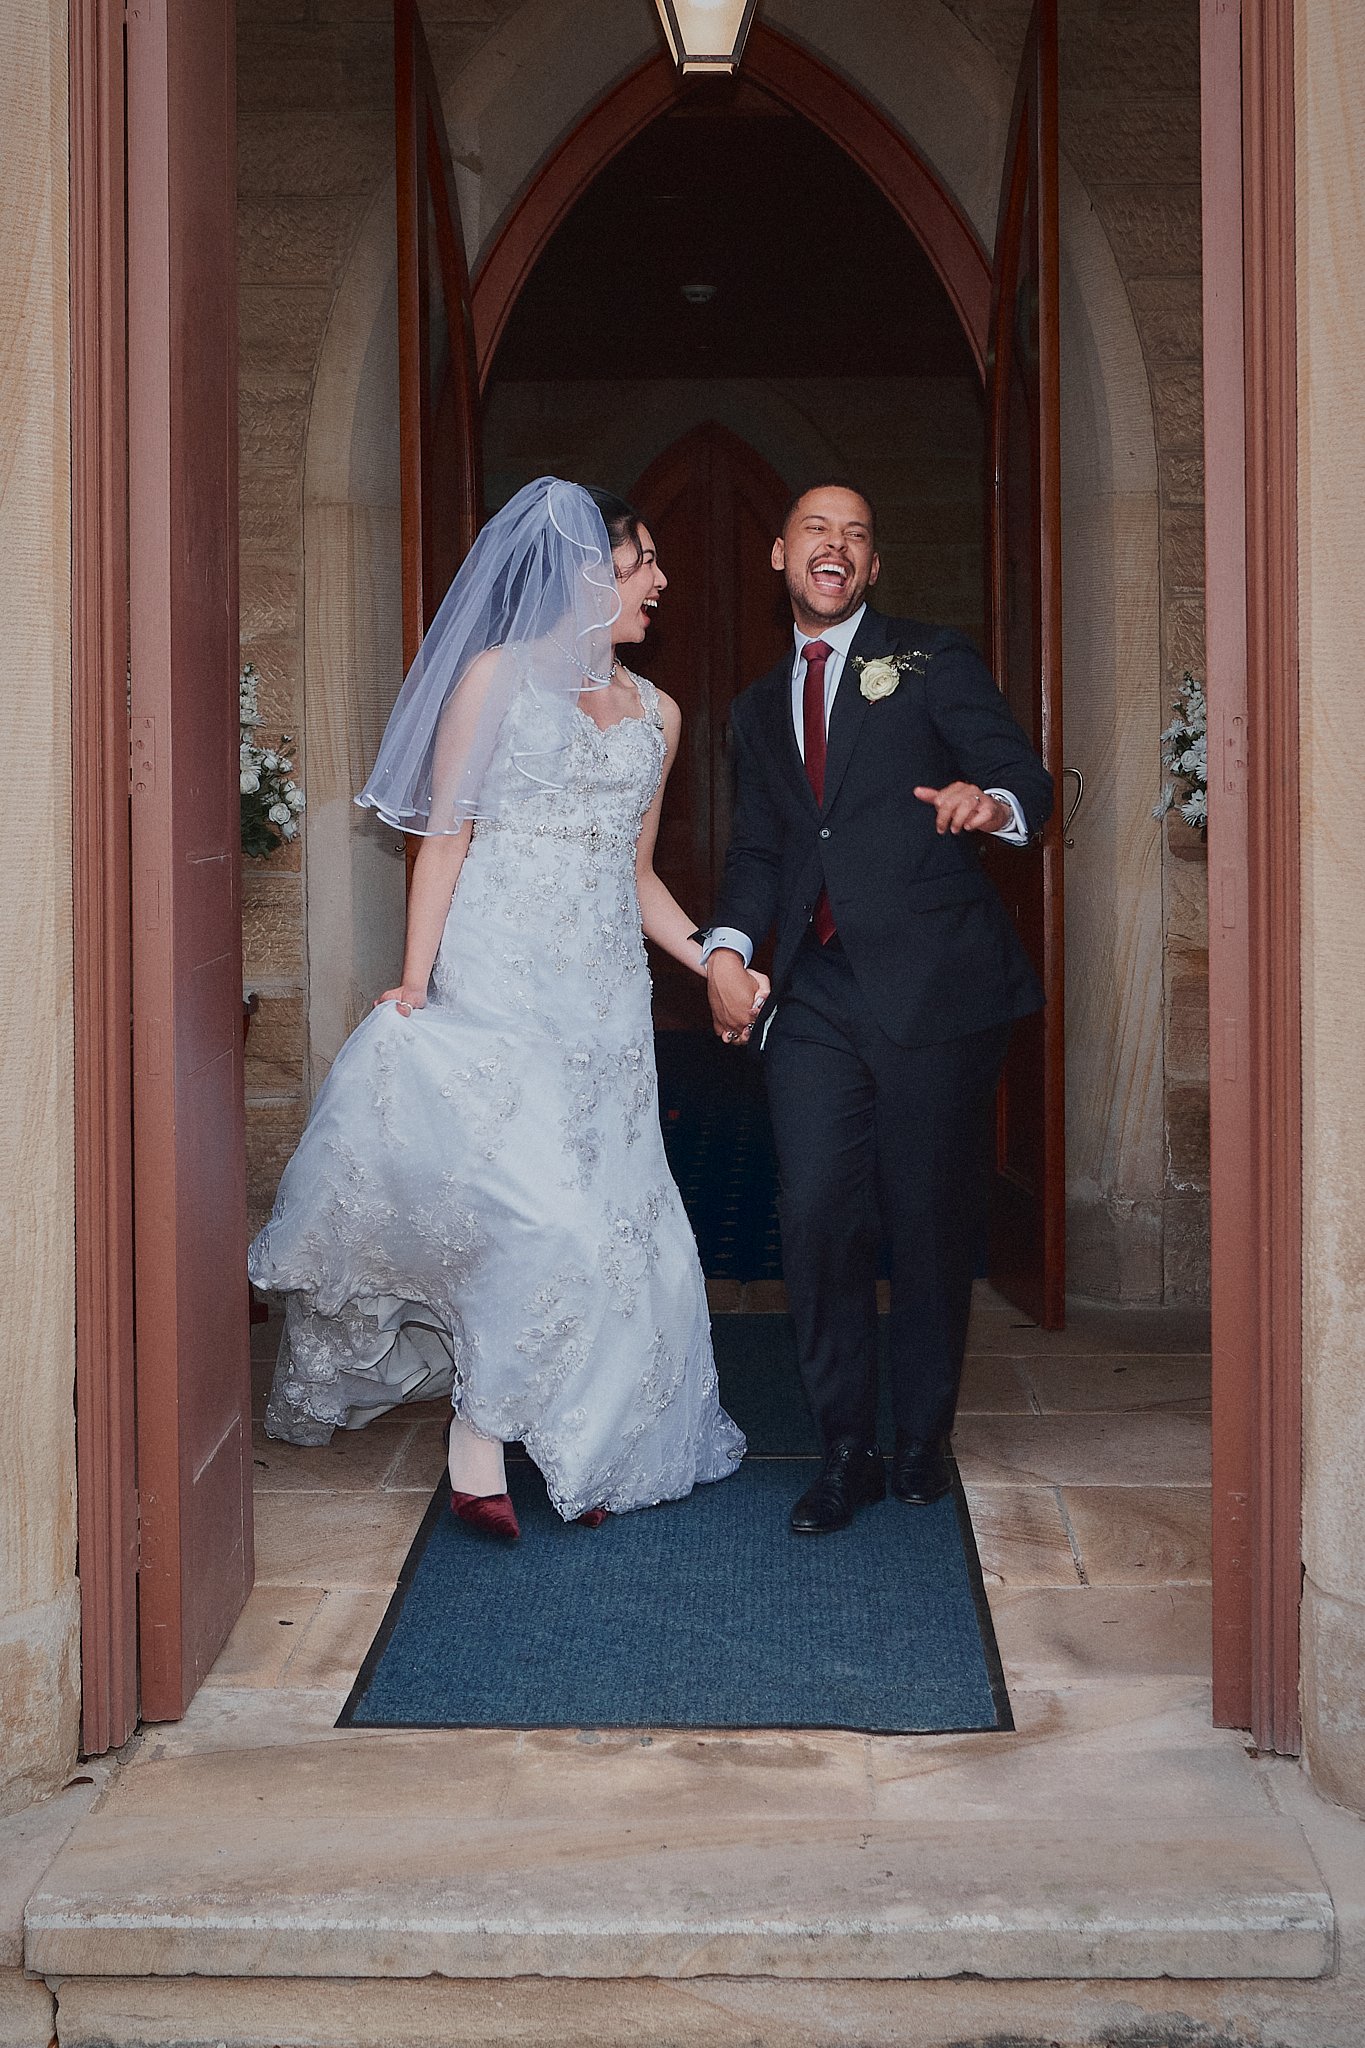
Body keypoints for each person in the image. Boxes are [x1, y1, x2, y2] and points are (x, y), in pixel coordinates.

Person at [250, 478, 756, 1539]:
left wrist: (710, 955)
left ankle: (599, 1435)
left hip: (605, 1000)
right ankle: (479, 1434)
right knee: (537, 1212)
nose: (660, 581)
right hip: (500, 978)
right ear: (583, 574)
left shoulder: (660, 716)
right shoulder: (493, 679)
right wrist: (415, 978)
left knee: (613, 1222)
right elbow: (445, 840)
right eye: (642, 564)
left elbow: (638, 875)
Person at [702, 481, 1052, 1534]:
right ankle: (843, 1448)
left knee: (928, 1217)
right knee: (816, 1214)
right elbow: (761, 849)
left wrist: (990, 803)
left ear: (872, 566)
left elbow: (1022, 774)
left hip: (936, 988)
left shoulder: (931, 657)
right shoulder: (756, 707)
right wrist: (727, 950)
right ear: (779, 554)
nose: (837, 544)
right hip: (814, 995)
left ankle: (919, 1439)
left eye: (857, 533)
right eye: (817, 528)